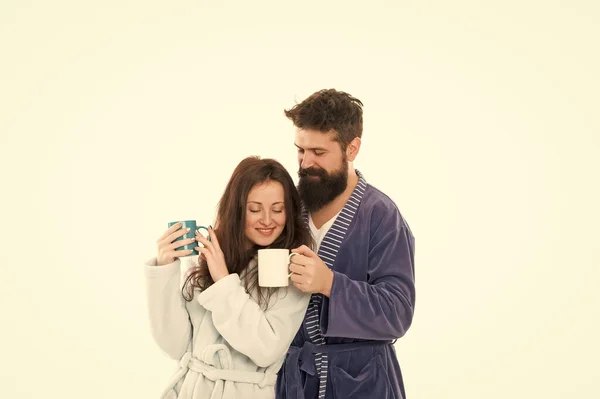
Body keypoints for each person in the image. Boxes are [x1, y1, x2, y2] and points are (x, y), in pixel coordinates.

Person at [276, 89, 416, 399]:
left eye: (318, 152)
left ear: (351, 149)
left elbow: (398, 313)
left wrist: (329, 284)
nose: (305, 162)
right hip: (292, 382)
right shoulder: (287, 207)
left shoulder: (381, 215)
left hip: (364, 383)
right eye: (300, 150)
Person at [143, 156, 314, 399]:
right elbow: (175, 346)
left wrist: (223, 281)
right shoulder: (208, 258)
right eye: (254, 209)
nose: (267, 220)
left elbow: (266, 349)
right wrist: (164, 270)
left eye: (277, 209)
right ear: (236, 209)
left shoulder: (293, 269)